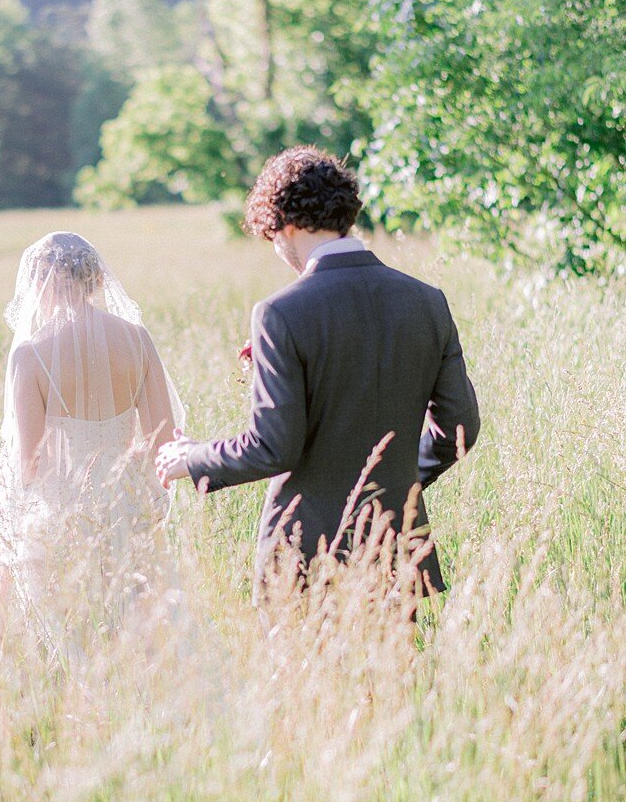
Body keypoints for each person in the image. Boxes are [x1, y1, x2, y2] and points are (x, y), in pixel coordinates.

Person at [156, 146, 480, 607]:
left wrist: (193, 458)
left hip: (305, 557)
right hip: (392, 546)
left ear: (284, 223)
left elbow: (273, 447)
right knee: (385, 680)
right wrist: (393, 482)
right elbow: (459, 431)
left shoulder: (280, 312)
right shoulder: (428, 301)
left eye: (271, 237)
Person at [0, 231, 183, 656]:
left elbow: (27, 460)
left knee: (64, 641)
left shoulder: (30, 354)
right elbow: (164, 437)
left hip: (59, 510)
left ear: (39, 283)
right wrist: (146, 497)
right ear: (97, 281)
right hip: (125, 504)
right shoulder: (137, 339)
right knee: (134, 632)